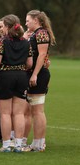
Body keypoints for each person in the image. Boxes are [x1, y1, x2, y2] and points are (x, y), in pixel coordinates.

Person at [0, 14, 33, 153]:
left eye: (3, 26)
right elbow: (29, 64)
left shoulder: (1, 42)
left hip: (5, 77)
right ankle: (18, 145)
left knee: (5, 113)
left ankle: (6, 145)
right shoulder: (26, 42)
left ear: (7, 27)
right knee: (19, 113)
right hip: (21, 77)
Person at [23, 9, 55, 152]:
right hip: (34, 73)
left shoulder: (41, 33)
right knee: (33, 110)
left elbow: (42, 55)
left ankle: (38, 144)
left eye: (28, 20)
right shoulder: (34, 34)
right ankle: (38, 143)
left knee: (38, 111)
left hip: (39, 74)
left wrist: (35, 74)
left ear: (36, 20)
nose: (26, 23)